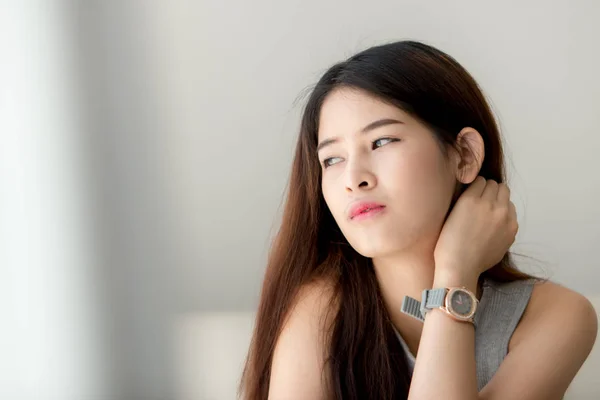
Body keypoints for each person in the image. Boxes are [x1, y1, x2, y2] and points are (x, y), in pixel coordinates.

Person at [239, 40, 597, 400]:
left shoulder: (557, 316)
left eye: (381, 141)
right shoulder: (320, 310)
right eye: (332, 159)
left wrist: (455, 272)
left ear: (465, 156)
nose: (353, 179)